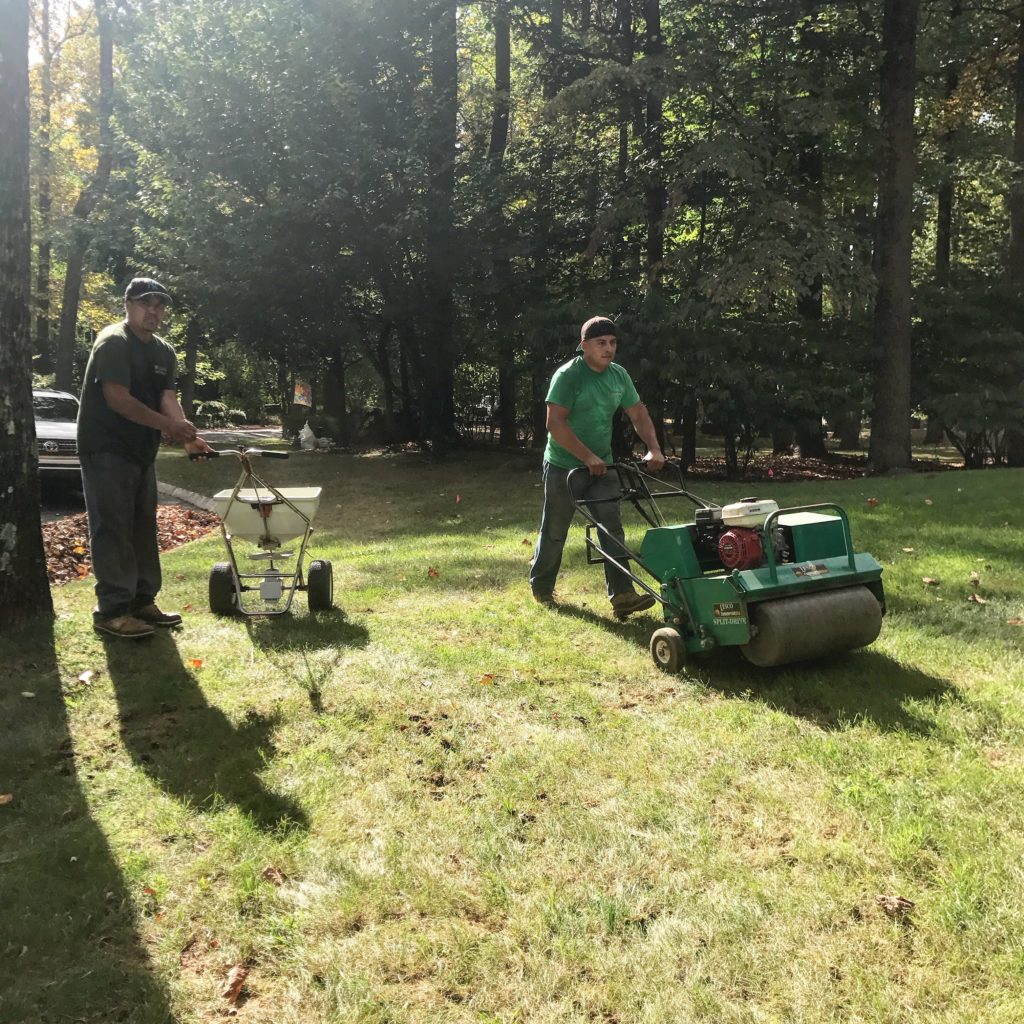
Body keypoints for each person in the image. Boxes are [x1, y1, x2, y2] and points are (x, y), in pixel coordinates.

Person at [76, 277, 213, 639]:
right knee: (112, 526)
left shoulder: (163, 350)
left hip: (140, 450)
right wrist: (168, 425)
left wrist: (187, 437)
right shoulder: (114, 343)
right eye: (144, 304)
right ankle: (112, 611)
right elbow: (117, 399)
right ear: (128, 305)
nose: (152, 311)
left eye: (158, 305)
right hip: (105, 447)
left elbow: (167, 396)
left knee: (141, 526)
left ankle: (142, 601)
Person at [530, 315, 666, 617]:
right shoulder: (568, 376)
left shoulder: (618, 376)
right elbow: (555, 423)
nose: (608, 349)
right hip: (564, 465)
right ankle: (541, 588)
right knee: (555, 529)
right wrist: (586, 456)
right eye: (601, 343)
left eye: (613, 343)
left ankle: (622, 595)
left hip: (602, 466)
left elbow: (638, 413)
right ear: (584, 346)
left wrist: (654, 448)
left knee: (611, 526)